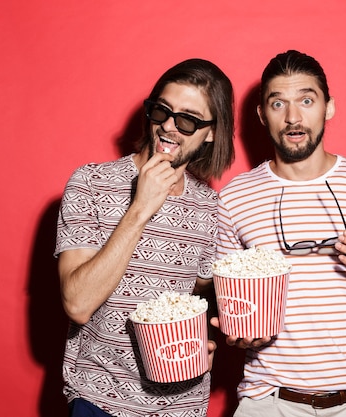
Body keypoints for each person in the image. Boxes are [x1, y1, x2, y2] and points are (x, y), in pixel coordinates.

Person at [214, 50, 346, 416]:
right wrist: (238, 332)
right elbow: (228, 303)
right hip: (266, 400)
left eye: (307, 100)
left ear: (329, 107)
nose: (293, 117)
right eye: (278, 104)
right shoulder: (234, 199)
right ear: (262, 115)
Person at [54, 58, 235, 417]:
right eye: (161, 111)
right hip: (100, 402)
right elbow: (77, 304)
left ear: (212, 132)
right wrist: (140, 208)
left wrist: (206, 339)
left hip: (183, 406)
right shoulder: (90, 183)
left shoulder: (211, 206)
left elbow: (199, 295)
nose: (169, 126)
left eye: (187, 120)